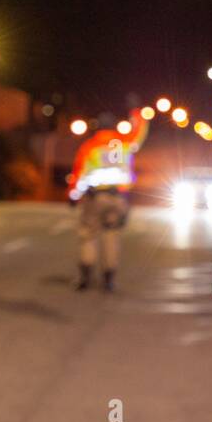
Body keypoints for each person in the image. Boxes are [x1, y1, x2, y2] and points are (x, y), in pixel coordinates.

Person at [67, 110, 149, 291]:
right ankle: (108, 280)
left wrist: (73, 195)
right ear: (113, 127)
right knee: (111, 237)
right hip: (119, 199)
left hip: (95, 198)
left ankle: (85, 278)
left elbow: (78, 174)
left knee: (88, 236)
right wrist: (137, 113)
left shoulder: (90, 146)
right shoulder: (125, 144)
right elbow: (140, 131)